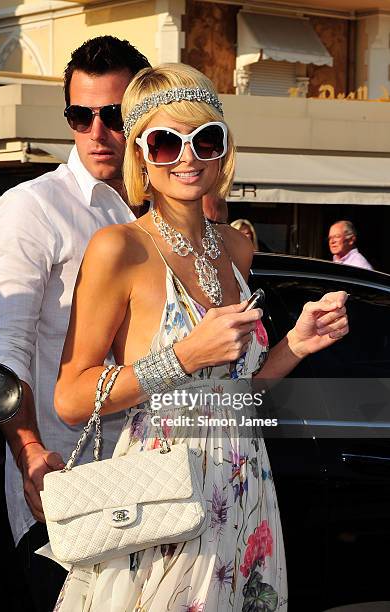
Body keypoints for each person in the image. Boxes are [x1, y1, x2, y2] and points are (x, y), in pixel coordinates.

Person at [52, 63, 349, 611]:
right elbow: (71, 397)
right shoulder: (120, 249)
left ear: (222, 149)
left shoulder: (237, 249)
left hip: (244, 485)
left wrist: (295, 346)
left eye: (204, 139)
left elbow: (235, 394)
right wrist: (184, 356)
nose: (187, 158)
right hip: (163, 494)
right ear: (141, 152)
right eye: (166, 142)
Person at [0, 36, 150, 612]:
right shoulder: (33, 206)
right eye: (81, 115)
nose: (97, 132)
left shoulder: (155, 210)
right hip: (64, 486)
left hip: (156, 481)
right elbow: (4, 347)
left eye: (114, 115)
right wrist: (26, 451)